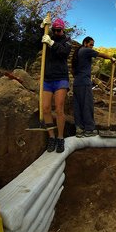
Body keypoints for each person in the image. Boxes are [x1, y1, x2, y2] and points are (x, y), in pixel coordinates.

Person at [72, 36, 116, 137]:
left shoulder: (78, 53)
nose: (91, 47)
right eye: (91, 44)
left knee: (78, 106)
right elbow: (101, 55)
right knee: (87, 105)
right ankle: (89, 130)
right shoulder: (86, 50)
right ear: (85, 43)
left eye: (93, 45)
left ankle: (79, 129)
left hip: (77, 83)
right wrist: (111, 58)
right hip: (84, 83)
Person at [41, 17, 72, 153]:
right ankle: (51, 137)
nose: (56, 32)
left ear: (63, 29)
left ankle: (60, 138)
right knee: (46, 108)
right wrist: (42, 28)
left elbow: (64, 53)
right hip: (47, 78)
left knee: (59, 109)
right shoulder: (47, 37)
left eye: (59, 30)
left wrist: (52, 43)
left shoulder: (67, 41)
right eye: (54, 30)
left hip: (60, 78)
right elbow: (39, 43)